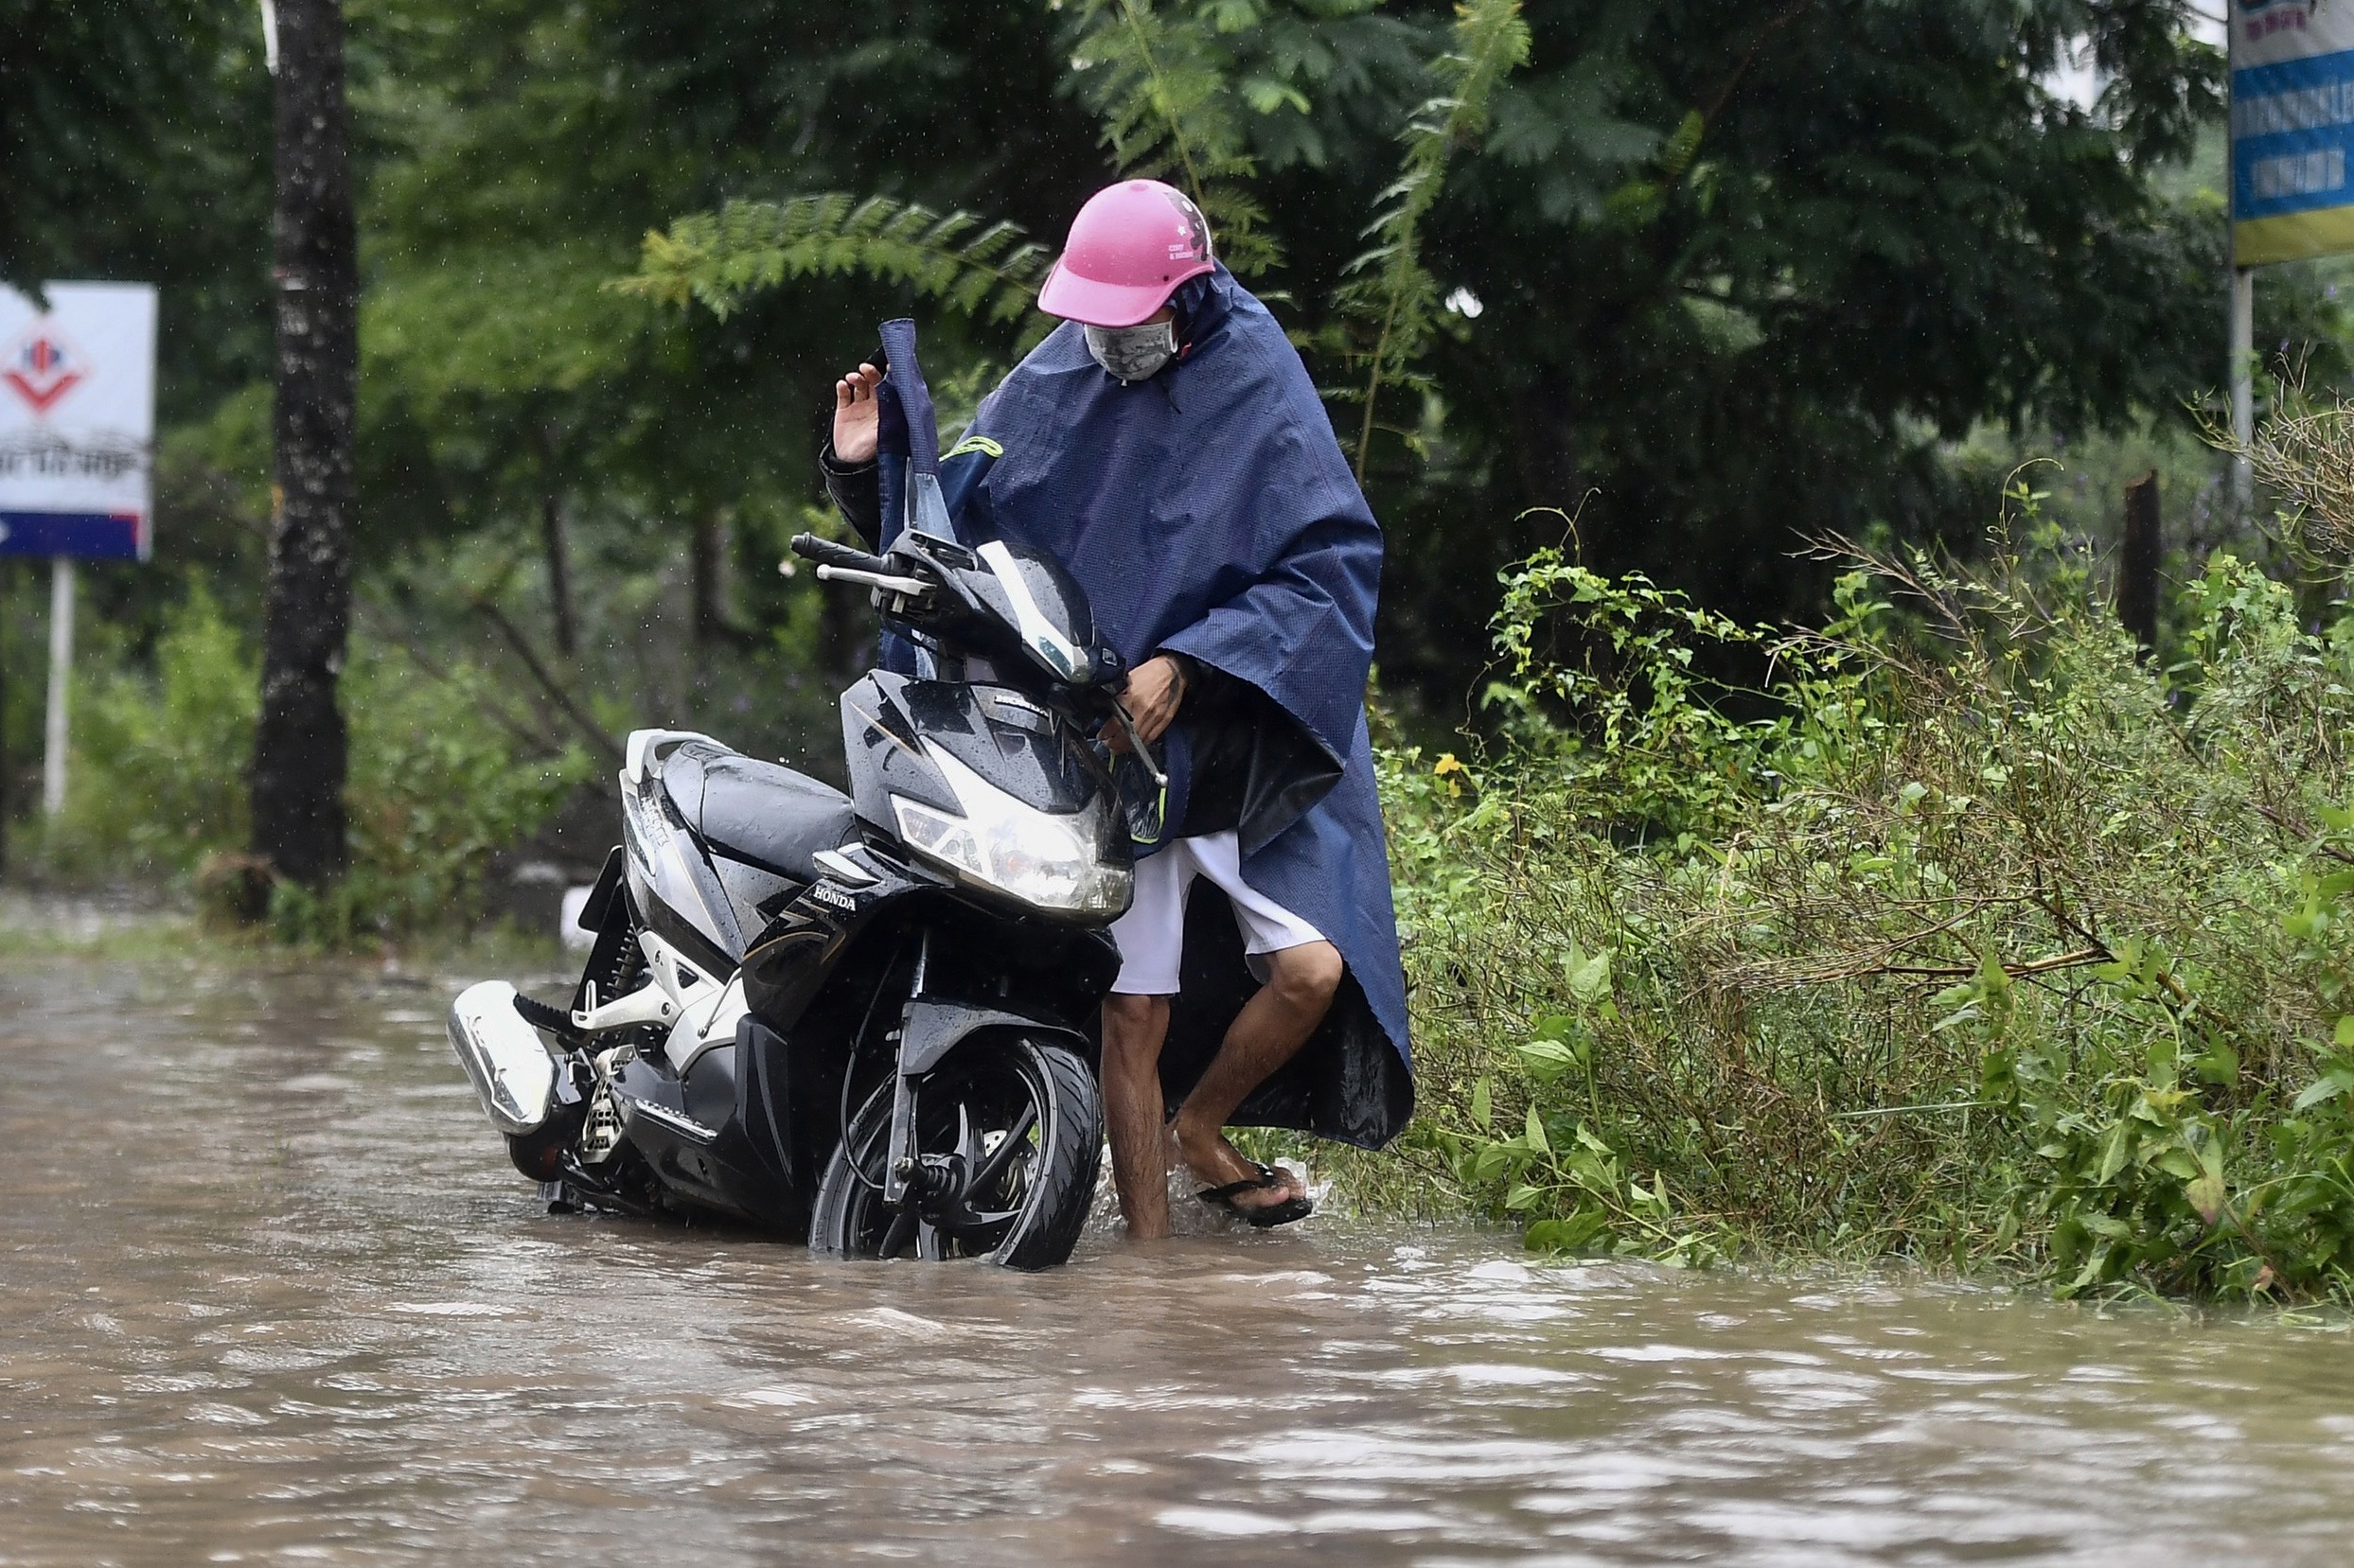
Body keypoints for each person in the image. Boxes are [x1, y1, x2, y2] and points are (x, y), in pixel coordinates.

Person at [818, 179, 1412, 1239]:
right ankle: (1148, 1265)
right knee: (1132, 1011)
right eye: (1091, 321)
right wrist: (869, 472)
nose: (1106, 344)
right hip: (1106, 743)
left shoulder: (1256, 379)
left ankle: (1201, 1125)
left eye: (1126, 324)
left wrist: (1190, 663)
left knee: (1312, 970)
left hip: (1238, 737)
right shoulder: (1063, 374)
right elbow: (956, 540)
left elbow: (1326, 567)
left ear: (1186, 300)